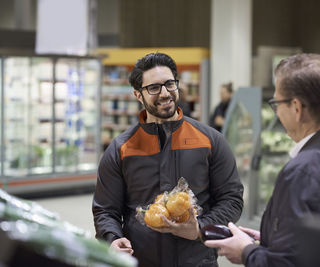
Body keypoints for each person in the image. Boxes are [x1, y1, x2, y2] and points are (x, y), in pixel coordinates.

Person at [204, 53, 320, 266]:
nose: (277, 112)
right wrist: (272, 239)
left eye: (277, 103)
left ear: (297, 108)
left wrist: (246, 252)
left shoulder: (304, 170)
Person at [92, 52, 244, 267]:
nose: (165, 93)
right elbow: (106, 209)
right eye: (154, 88)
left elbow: (231, 199)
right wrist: (113, 238)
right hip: (141, 260)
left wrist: (200, 228)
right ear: (138, 95)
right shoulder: (120, 149)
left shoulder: (211, 141)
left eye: (170, 84)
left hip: (197, 261)